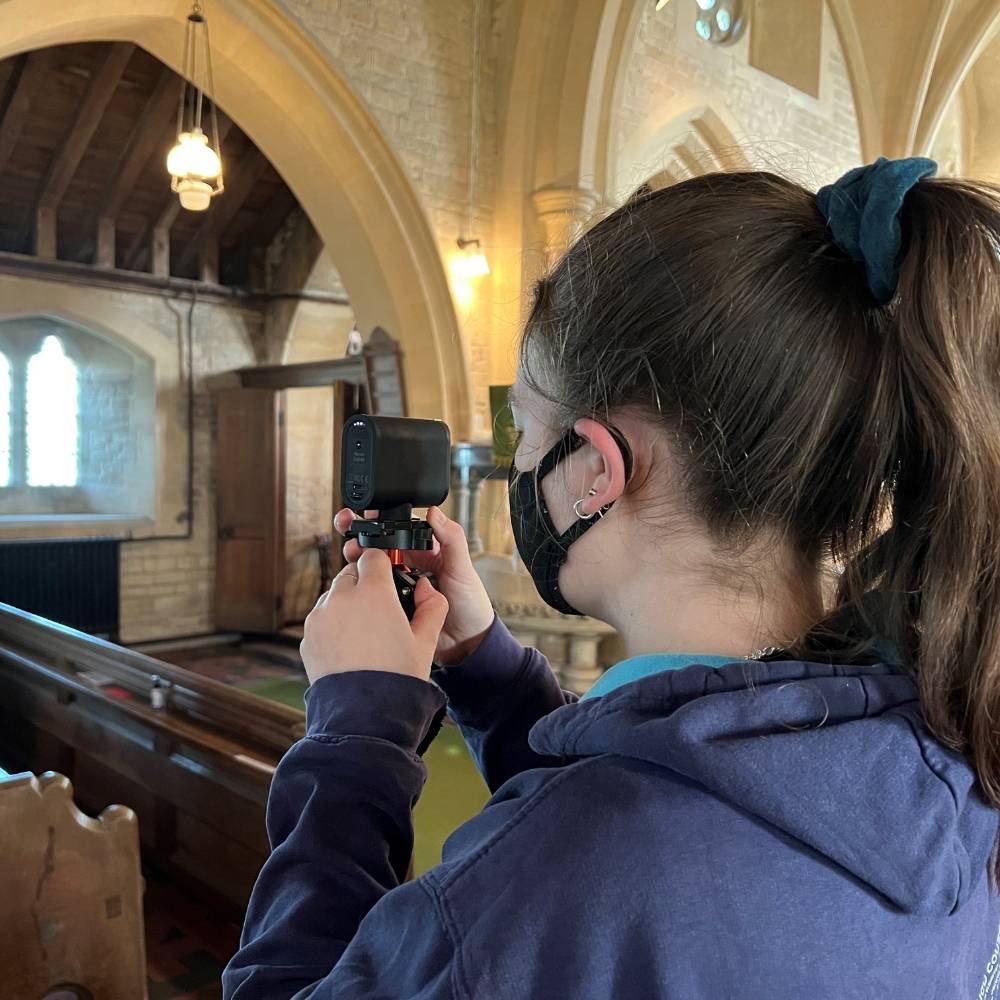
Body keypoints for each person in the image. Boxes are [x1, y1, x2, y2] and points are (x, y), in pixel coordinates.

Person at [222, 158, 1000, 999]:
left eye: (526, 429)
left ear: (595, 465)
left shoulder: (538, 885)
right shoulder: (942, 744)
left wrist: (354, 737)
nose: (522, 464)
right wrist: (487, 665)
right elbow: (682, 786)